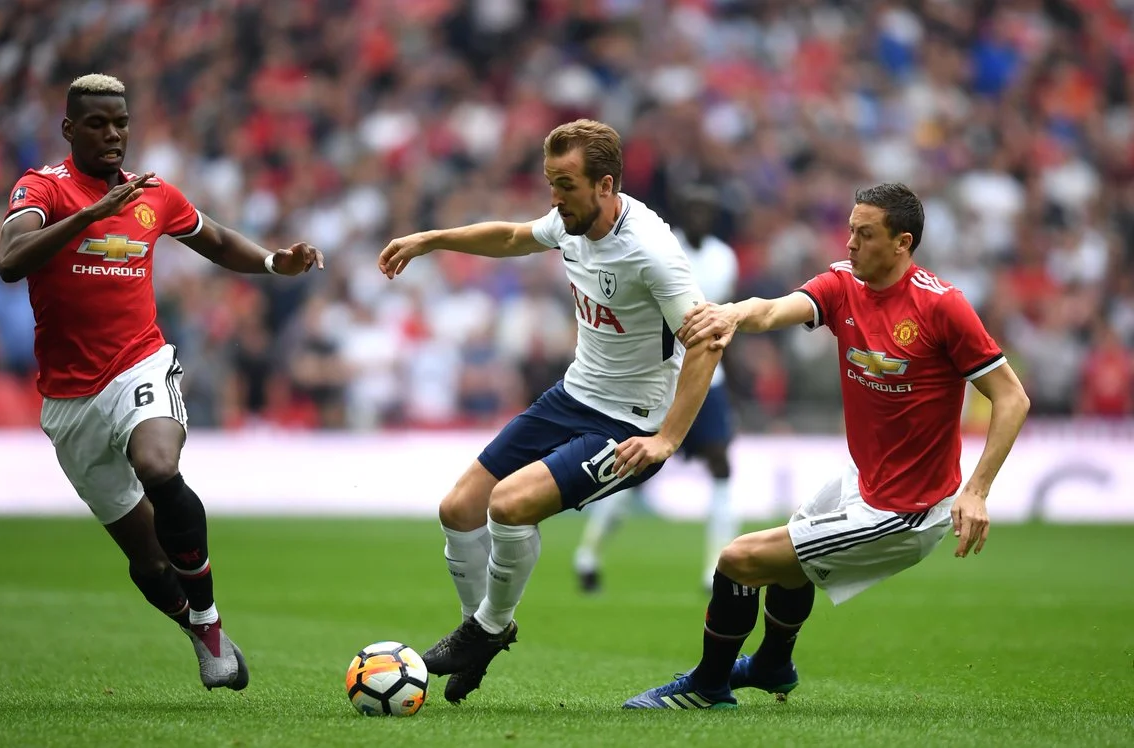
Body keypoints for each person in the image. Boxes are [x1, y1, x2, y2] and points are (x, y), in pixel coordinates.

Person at [623, 183, 1030, 709]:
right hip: (861, 481)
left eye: (866, 234)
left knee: (738, 560)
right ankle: (772, 665)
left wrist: (976, 491)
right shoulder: (843, 283)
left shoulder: (942, 307)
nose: (851, 243)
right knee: (788, 557)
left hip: (907, 510)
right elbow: (774, 310)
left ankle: (708, 686)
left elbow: (1011, 398)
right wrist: (733, 314)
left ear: (902, 243)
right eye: (850, 231)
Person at [377, 119, 723, 704]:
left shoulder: (651, 252)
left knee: (510, 505)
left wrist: (666, 439)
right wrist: (431, 239)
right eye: (551, 183)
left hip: (629, 424)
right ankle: (481, 630)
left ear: (605, 185)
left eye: (565, 185)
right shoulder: (571, 220)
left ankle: (487, 628)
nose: (554, 198)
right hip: (573, 395)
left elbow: (707, 341)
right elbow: (514, 237)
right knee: (458, 509)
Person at [0, 74, 324, 691]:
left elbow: (214, 238)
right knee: (147, 561)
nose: (112, 134)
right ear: (69, 129)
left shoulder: (152, 194)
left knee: (157, 464)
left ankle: (209, 618)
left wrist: (273, 262)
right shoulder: (42, 188)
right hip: (69, 400)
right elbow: (11, 261)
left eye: (120, 123)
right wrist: (89, 216)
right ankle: (198, 628)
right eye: (97, 123)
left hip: (139, 364)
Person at [573, 185, 740, 592]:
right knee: (633, 466)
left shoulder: (724, 258)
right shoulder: (662, 248)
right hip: (661, 376)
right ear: (682, 213)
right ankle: (589, 553)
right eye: (693, 209)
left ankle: (716, 568)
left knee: (721, 464)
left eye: (706, 210)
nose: (699, 217)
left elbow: (720, 322)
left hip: (707, 377)